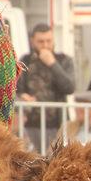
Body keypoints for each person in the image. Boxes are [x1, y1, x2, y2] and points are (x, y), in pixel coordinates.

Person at [17, 23, 75, 151]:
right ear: (32, 42)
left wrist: (52, 64)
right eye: (41, 41)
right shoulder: (25, 60)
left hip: (57, 123)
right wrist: (22, 97)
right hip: (30, 123)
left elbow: (70, 87)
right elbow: (16, 89)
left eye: (49, 41)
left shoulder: (64, 60)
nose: (45, 45)